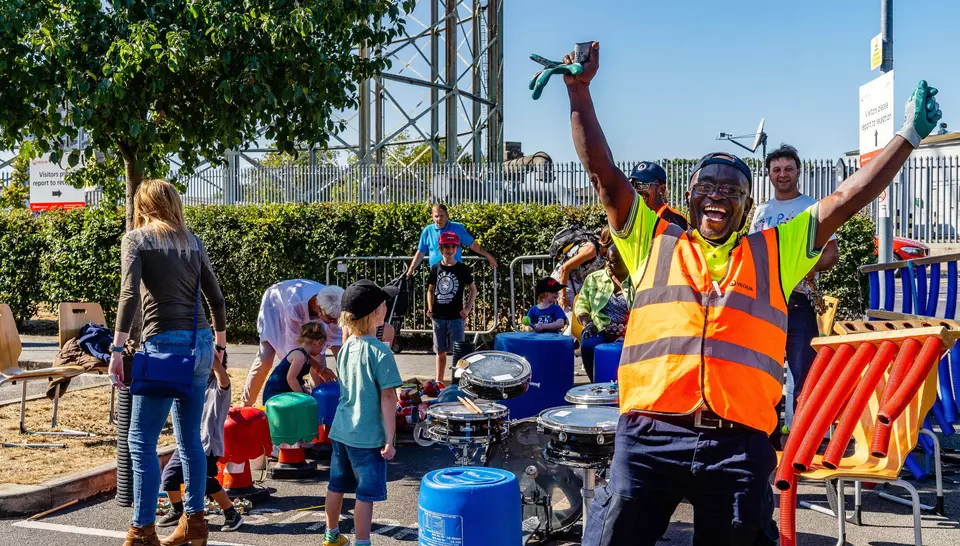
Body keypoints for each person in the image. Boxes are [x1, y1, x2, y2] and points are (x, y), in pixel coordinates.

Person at [561, 41, 941, 546]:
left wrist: (909, 135)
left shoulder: (775, 250)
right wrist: (580, 93)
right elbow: (605, 177)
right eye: (708, 185)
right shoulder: (652, 238)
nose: (718, 193)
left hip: (739, 445)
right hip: (651, 436)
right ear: (689, 194)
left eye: (732, 190)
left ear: (747, 206)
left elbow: (849, 198)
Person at [108, 179, 227, 546]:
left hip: (164, 348)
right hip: (201, 345)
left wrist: (116, 350)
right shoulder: (193, 242)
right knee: (190, 439)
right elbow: (217, 299)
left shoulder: (137, 239)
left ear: (142, 205)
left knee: (139, 441)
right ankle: (195, 523)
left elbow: (129, 295)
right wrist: (219, 348)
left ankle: (142, 529)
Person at [749, 144, 839, 441]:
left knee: (804, 377)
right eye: (777, 170)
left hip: (799, 304)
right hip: (765, 304)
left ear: (798, 172)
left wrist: (803, 271)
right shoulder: (761, 212)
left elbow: (831, 254)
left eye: (788, 169)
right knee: (766, 377)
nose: (783, 174)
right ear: (769, 175)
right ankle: (768, 440)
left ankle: (804, 443)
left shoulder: (812, 208)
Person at [323, 280, 403, 546]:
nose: (386, 307)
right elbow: (388, 397)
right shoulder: (380, 351)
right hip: (368, 436)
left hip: (342, 430)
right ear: (376, 313)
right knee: (365, 495)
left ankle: (331, 535)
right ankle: (362, 541)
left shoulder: (346, 348)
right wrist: (390, 438)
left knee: (336, 486)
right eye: (384, 304)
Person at [157, 350, 242, 533]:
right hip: (186, 441)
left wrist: (214, 361)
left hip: (206, 444)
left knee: (205, 482)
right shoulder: (194, 382)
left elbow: (224, 382)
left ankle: (231, 513)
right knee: (169, 476)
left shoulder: (218, 386)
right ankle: (177, 510)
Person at [242, 281, 344, 406]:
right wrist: (318, 369)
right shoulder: (295, 305)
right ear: (319, 309)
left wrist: (341, 372)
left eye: (337, 319)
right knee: (265, 360)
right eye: (331, 319)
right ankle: (246, 406)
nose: (334, 323)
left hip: (303, 312)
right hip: (276, 306)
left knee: (318, 358)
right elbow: (295, 351)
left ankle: (318, 408)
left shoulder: (334, 303)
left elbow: (339, 345)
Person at [575, 243, 634, 382]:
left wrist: (624, 330)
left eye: (613, 261)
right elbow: (582, 304)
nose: (607, 264)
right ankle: (595, 383)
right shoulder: (594, 279)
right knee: (589, 344)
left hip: (630, 330)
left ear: (626, 260)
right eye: (606, 259)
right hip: (598, 327)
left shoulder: (636, 280)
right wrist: (587, 323)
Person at [427, 232, 477, 382]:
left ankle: (459, 381)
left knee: (459, 352)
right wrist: (430, 307)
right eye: (446, 247)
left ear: (457, 249)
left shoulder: (462, 269)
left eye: (452, 247)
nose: (449, 249)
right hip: (439, 316)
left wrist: (467, 309)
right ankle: (439, 381)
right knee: (440, 350)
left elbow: (473, 289)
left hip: (456, 316)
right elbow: (430, 289)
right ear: (440, 249)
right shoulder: (435, 268)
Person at [405, 203, 498, 276]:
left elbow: (472, 245)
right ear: (432, 217)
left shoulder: (457, 228)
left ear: (447, 215)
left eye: (442, 216)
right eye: (436, 216)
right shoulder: (428, 231)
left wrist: (488, 256)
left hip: (455, 271)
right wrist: (410, 270)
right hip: (436, 272)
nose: (439, 219)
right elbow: (420, 253)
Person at [261, 322, 330, 404]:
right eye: (323, 345)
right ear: (317, 343)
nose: (322, 349)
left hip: (284, 393)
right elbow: (291, 379)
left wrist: (305, 391)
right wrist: (303, 397)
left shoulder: (305, 356)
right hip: (275, 396)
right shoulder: (299, 356)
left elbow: (297, 379)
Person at [628, 161, 689, 230]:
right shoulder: (632, 218)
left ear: (661, 189)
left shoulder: (675, 220)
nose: (637, 190)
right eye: (633, 185)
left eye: (642, 185)